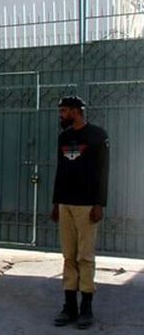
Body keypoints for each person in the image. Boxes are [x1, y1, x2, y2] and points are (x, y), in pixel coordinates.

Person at [51, 96, 109, 329]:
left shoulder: (97, 136)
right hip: (66, 203)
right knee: (68, 255)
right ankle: (69, 306)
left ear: (76, 112)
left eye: (64, 111)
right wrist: (56, 203)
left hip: (87, 205)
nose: (61, 115)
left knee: (85, 256)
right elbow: (60, 170)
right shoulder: (64, 138)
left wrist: (99, 204)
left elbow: (104, 171)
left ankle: (86, 307)